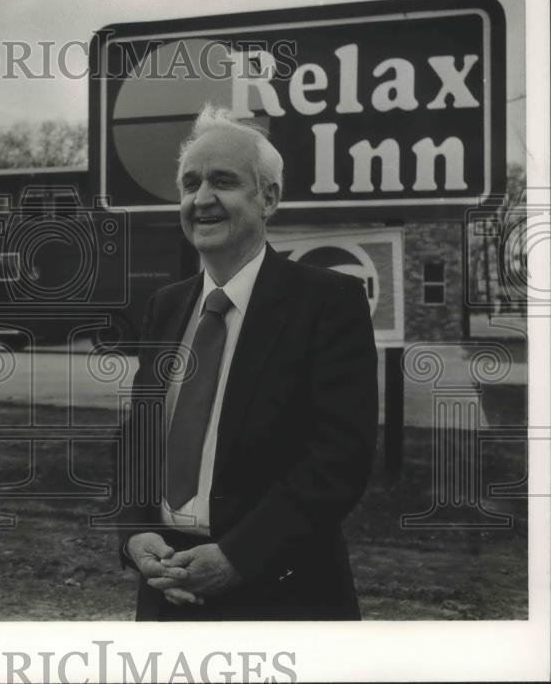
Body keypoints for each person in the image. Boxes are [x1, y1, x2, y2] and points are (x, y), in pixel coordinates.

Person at [118, 104, 378, 620]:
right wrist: (135, 532)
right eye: (190, 184)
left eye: (223, 182)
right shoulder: (165, 307)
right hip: (168, 591)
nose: (202, 199)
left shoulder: (328, 302)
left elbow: (339, 457)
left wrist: (238, 557)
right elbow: (138, 436)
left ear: (269, 198)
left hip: (284, 595)